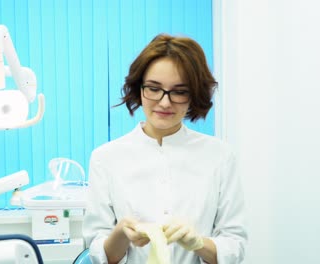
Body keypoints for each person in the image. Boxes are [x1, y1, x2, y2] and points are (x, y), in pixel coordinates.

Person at [82, 34, 247, 264]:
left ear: (194, 95)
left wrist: (199, 243)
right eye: (153, 88)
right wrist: (120, 234)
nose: (165, 102)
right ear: (139, 89)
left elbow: (235, 246)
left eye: (179, 91)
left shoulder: (219, 156)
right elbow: (98, 254)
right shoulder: (106, 158)